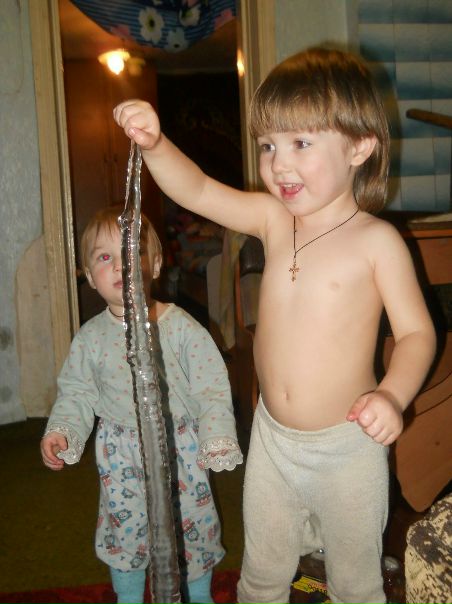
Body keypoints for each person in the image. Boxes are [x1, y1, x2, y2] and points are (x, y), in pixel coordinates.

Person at [113, 47, 436, 604]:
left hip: (348, 446)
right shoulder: (271, 218)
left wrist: (393, 395)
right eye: (268, 146)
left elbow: (416, 334)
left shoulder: (377, 242)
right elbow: (198, 190)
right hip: (273, 440)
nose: (279, 164)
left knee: (354, 582)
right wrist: (156, 145)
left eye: (301, 143)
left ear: (360, 147)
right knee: (261, 574)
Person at [41, 205, 243, 604]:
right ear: (89, 275)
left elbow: (211, 386)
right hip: (120, 454)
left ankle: (199, 593)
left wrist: (217, 433)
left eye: (131, 253)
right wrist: (63, 430)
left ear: (155, 264)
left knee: (191, 522)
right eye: (105, 257)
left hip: (179, 448)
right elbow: (76, 392)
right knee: (125, 529)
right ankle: (129, 596)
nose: (121, 266)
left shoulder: (180, 326)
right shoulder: (90, 338)